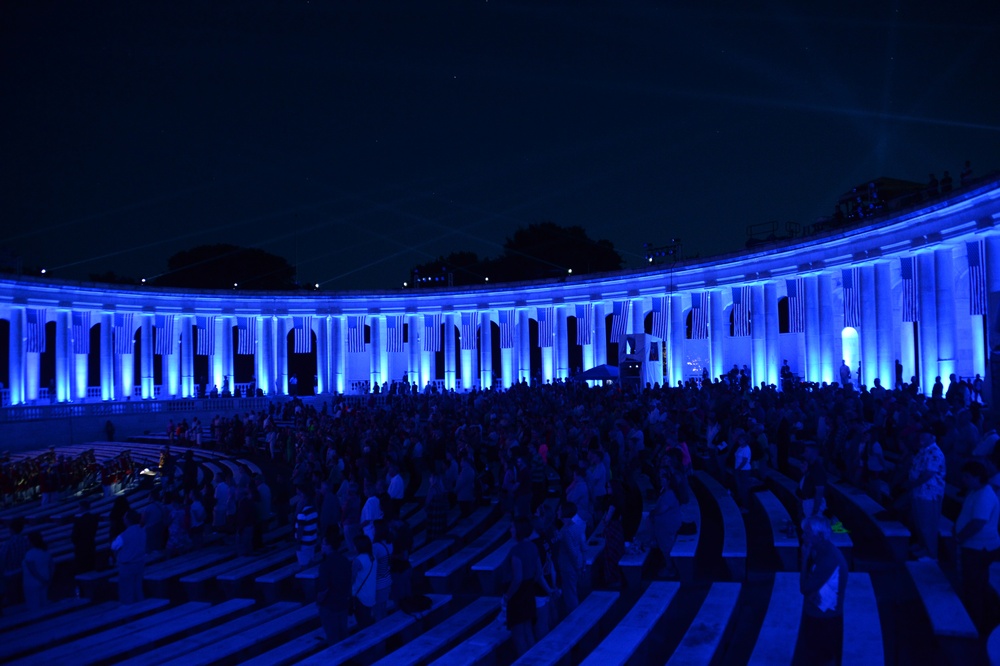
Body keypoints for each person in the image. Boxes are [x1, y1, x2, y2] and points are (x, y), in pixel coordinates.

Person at [795, 515, 848, 666]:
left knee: (821, 658)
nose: (802, 536)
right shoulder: (820, 547)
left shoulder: (828, 558)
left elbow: (804, 588)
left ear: (819, 535)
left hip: (827, 616)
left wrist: (804, 559)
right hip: (821, 606)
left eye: (807, 533)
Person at [954, 460, 1000, 631]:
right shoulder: (976, 491)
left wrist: (960, 537)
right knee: (976, 584)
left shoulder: (985, 495)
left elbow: (978, 522)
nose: (964, 480)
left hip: (980, 548)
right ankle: (977, 619)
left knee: (975, 587)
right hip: (975, 547)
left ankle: (976, 623)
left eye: (967, 477)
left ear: (977, 477)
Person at [504, 516, 557, 657]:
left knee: (519, 635)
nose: (510, 530)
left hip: (518, 595)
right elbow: (538, 572)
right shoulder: (533, 546)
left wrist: (507, 596)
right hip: (529, 592)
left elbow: (517, 578)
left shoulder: (517, 551)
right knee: (528, 630)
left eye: (512, 527)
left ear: (519, 530)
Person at [907, 432, 946, 560]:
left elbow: (928, 474)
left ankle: (931, 552)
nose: (922, 439)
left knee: (928, 524)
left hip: (929, 494)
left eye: (925, 436)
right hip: (919, 492)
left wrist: (913, 484)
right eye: (921, 436)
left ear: (933, 437)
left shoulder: (935, 452)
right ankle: (922, 546)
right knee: (919, 522)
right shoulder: (923, 450)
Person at [316, 527, 351, 645]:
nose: (321, 546)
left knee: (333, 637)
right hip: (343, 603)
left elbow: (324, 589)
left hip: (330, 605)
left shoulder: (325, 565)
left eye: (323, 544)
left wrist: (319, 602)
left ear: (329, 545)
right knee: (343, 634)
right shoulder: (345, 560)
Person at [648, 466, 684, 578]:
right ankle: (668, 564)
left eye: (663, 477)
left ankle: (670, 568)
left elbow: (662, 509)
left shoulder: (670, 494)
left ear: (669, 480)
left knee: (666, 546)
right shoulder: (665, 490)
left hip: (668, 526)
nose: (660, 479)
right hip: (664, 524)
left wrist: (653, 513)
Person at [554, 500, 586, 614]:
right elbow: (582, 546)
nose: (557, 511)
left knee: (570, 594)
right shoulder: (577, 526)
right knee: (573, 590)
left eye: (559, 509)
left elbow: (572, 551)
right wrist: (582, 564)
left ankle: (573, 618)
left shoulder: (565, 531)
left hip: (569, 567)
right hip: (576, 564)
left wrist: (578, 567)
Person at [112, 510, 147, 604]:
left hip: (127, 566)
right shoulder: (142, 531)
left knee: (126, 592)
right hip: (140, 563)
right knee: (138, 589)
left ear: (127, 520)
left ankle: (129, 616)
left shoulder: (123, 535)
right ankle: (142, 612)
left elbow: (114, 546)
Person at [1, 517, 30, 609]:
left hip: (10, 574)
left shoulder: (8, 544)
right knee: (22, 598)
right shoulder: (26, 541)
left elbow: (2, 559)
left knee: (13, 601)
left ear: (11, 529)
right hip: (22, 572)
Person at [21, 532, 53, 610]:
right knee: (44, 603)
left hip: (32, 582)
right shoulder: (45, 551)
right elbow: (52, 566)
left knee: (33, 606)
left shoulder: (30, 554)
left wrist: (41, 580)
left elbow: (32, 570)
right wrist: (49, 579)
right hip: (45, 579)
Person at [351, 534, 377, 630]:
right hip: (370, 592)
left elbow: (352, 578)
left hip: (360, 595)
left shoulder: (358, 560)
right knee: (368, 618)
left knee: (362, 622)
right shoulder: (372, 557)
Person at [798, 443, 827, 520]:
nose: (804, 454)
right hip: (807, 503)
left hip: (812, 504)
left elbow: (819, 492)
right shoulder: (810, 466)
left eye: (806, 451)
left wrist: (815, 512)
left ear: (813, 453)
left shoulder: (818, 469)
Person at [371, 520, 393, 620]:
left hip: (378, 583)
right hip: (387, 580)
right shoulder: (390, 543)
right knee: (383, 608)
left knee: (378, 613)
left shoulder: (375, 547)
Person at [71, 499, 100, 574]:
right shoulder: (94, 518)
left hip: (81, 546)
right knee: (90, 564)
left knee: (82, 567)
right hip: (91, 544)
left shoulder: (79, 520)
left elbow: (75, 535)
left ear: (82, 508)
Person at [295, 487, 319, 568]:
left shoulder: (302, 513)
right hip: (312, 541)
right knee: (311, 563)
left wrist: (298, 543)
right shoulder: (314, 510)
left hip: (304, 543)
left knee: (304, 566)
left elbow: (300, 530)